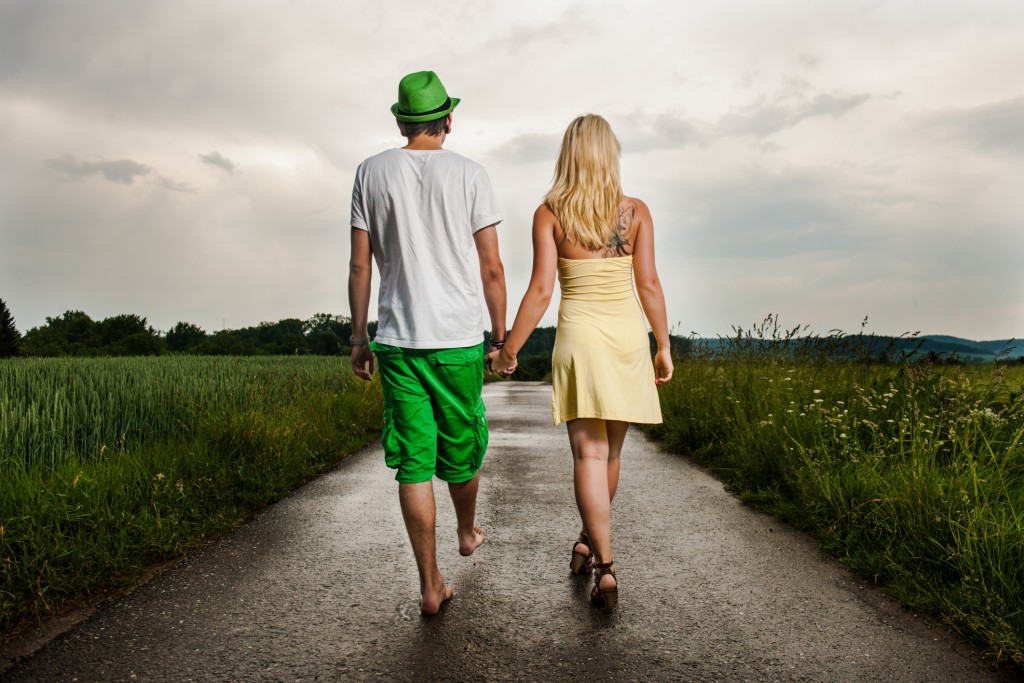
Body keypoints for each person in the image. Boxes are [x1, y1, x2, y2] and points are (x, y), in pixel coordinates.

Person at [487, 114, 673, 613]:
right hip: (627, 338)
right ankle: (590, 544)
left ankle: (605, 567)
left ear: (569, 155)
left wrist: (508, 351)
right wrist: (663, 344)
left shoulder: (550, 213)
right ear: (609, 154)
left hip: (582, 339)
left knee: (588, 456)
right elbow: (649, 284)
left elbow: (543, 290)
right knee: (610, 456)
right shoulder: (635, 213)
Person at [348, 70, 508, 615]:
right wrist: (501, 337)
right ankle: (466, 530)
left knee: (414, 463)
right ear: (448, 120)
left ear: (399, 120)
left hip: (395, 339)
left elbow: (359, 264)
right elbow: (491, 267)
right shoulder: (470, 173)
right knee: (461, 449)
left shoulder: (370, 172)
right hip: (458, 338)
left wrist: (358, 337)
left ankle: (430, 584)